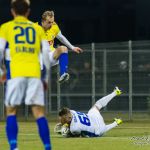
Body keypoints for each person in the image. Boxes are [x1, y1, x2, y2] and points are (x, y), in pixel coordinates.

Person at [0, 0, 51, 150]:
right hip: (34, 74)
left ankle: (14, 147)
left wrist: (2, 72)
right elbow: (46, 56)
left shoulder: (6, 27)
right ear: (28, 12)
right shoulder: (37, 29)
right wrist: (45, 78)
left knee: (11, 111)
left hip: (15, 73)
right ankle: (47, 147)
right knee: (39, 112)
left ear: (12, 12)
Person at [54, 87, 123, 138]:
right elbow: (70, 119)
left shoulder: (74, 128)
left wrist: (65, 132)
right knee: (97, 105)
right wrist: (64, 123)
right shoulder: (72, 112)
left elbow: (76, 136)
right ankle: (115, 93)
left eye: (62, 118)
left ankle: (116, 122)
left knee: (97, 130)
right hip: (95, 118)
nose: (60, 120)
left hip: (98, 130)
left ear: (67, 117)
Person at [41, 10, 83, 83]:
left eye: (52, 21)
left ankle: (63, 74)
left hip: (51, 56)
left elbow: (61, 37)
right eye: (49, 22)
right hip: (39, 58)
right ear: (43, 21)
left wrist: (72, 47)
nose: (51, 24)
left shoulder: (54, 26)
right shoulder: (35, 28)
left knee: (63, 48)